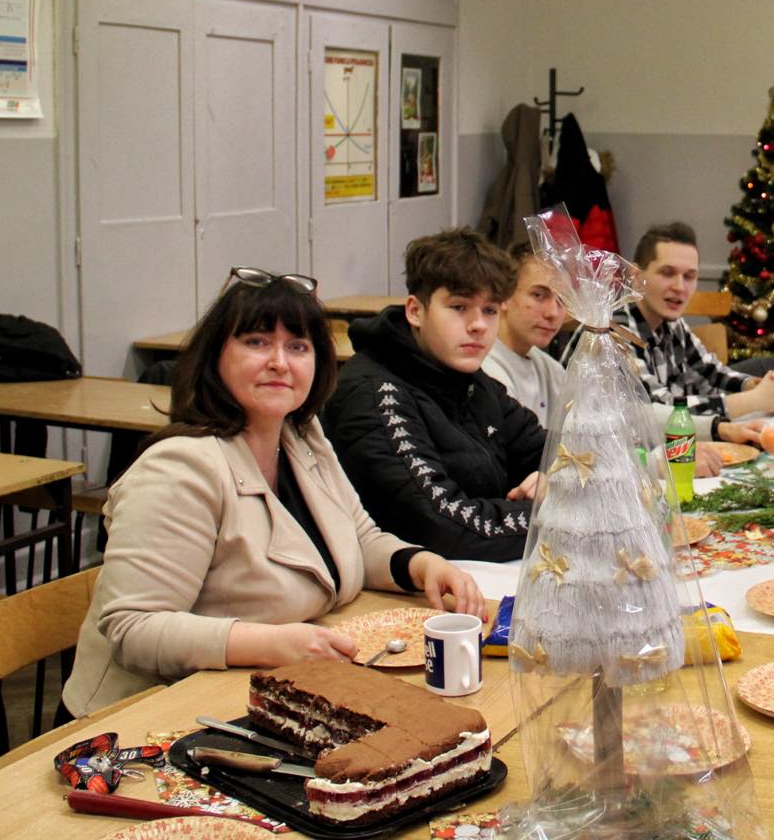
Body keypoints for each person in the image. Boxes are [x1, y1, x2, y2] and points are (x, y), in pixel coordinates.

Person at [62, 268, 482, 718]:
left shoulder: (301, 436)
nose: (280, 362)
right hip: (140, 721)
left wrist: (420, 565)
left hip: (262, 696)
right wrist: (274, 643)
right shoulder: (180, 468)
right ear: (215, 357)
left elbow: (357, 538)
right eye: (257, 342)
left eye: (298, 347)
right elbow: (134, 629)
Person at [322, 229, 545, 562]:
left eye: (489, 310)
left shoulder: (470, 380)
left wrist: (556, 482)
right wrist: (551, 515)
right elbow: (438, 526)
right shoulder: (372, 394)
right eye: (459, 307)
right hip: (396, 585)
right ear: (415, 311)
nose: (478, 325)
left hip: (478, 574)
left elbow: (554, 453)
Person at [612, 222, 774, 447]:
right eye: (667, 273)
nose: (680, 287)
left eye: (689, 276)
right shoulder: (614, 331)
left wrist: (751, 386)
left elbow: (710, 373)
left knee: (771, 365)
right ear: (636, 277)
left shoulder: (671, 323)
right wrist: (754, 400)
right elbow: (655, 412)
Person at [483, 242, 568, 429]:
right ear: (505, 296)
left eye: (562, 299)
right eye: (538, 295)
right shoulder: (484, 367)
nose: (553, 313)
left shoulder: (551, 370)